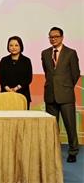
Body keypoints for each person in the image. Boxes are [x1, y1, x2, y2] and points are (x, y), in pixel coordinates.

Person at [41, 26, 80, 163]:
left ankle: (73, 151)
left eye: (56, 36)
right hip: (50, 94)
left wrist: (66, 86)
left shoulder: (71, 53)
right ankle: (52, 151)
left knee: (70, 126)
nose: (53, 39)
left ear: (62, 37)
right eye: (51, 37)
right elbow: (47, 72)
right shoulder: (45, 53)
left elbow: (75, 73)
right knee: (51, 127)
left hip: (66, 95)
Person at [0, 36, 33, 109]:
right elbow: (1, 77)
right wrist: (8, 89)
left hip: (22, 95)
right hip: (6, 94)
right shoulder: (4, 60)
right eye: (11, 45)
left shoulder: (26, 61)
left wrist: (16, 88)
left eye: (16, 45)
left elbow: (28, 78)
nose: (13, 47)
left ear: (21, 46)